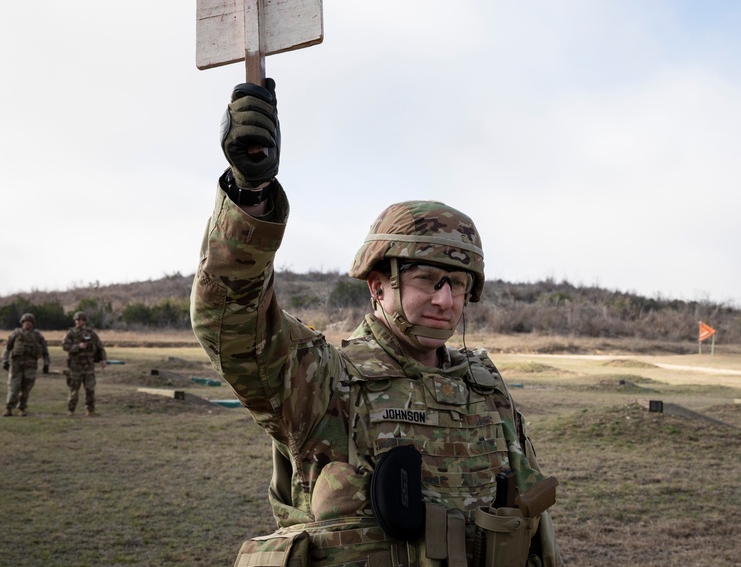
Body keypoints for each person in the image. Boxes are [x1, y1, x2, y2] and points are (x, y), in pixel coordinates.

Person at [191, 80, 563, 567]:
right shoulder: (325, 382)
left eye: (458, 283)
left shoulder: (485, 389)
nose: (445, 299)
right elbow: (232, 321)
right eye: (428, 279)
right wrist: (251, 191)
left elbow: (529, 523)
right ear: (377, 286)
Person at [3, 313, 51, 417]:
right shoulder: (16, 333)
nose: (27, 324)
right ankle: (9, 408)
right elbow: (7, 348)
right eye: (25, 322)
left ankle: (22, 408)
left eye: (29, 322)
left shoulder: (37, 335)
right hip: (16, 365)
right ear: (22, 323)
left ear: (32, 324)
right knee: (14, 387)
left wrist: (46, 364)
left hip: (31, 365)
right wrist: (5, 360)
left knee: (26, 388)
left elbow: (45, 351)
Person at [62, 311, 107, 416]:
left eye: (81, 320)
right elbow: (65, 346)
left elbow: (100, 347)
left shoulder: (91, 333)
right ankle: (71, 410)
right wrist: (78, 346)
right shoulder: (71, 333)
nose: (79, 322)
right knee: (74, 390)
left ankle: (90, 410)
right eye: (77, 320)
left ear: (85, 321)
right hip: (75, 366)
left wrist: (103, 359)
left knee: (90, 389)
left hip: (88, 366)